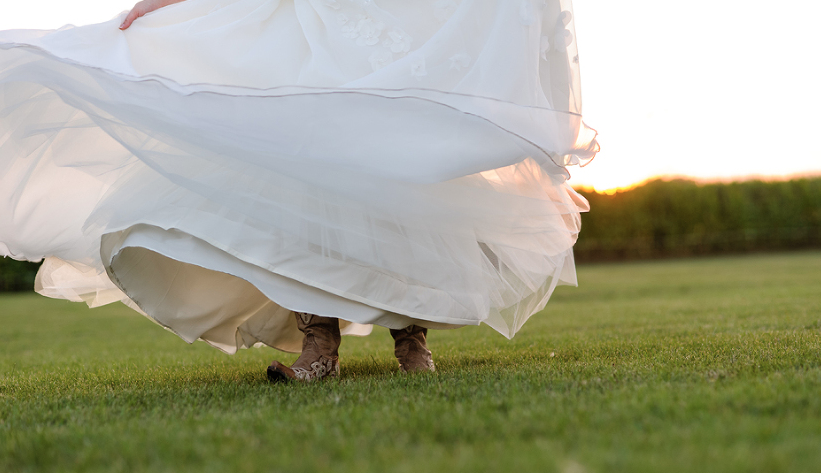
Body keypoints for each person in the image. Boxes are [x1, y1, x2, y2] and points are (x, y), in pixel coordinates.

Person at [0, 0, 598, 382]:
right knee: (292, 171)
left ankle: (409, 335)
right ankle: (319, 345)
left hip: (368, 28)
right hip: (293, 28)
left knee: (391, 166)